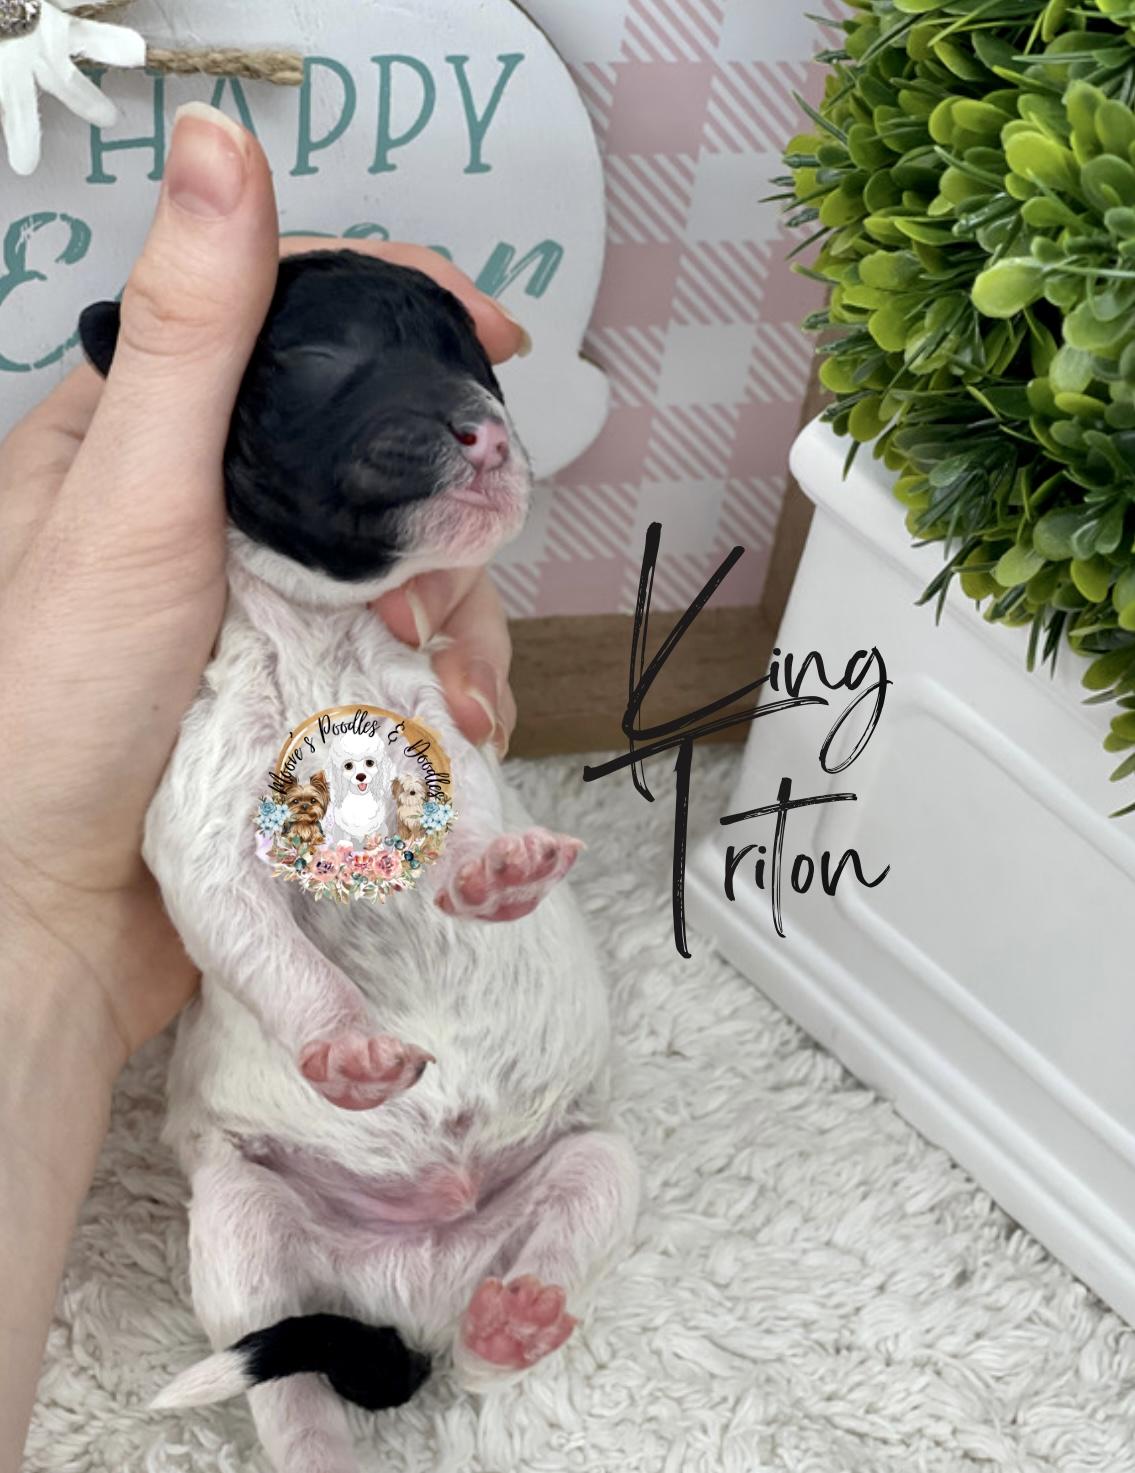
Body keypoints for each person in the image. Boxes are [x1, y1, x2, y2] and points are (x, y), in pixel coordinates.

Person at [0, 102, 523, 1471]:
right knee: (240, 1211)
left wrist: (474, 844)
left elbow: (440, 789)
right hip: (289, 1111)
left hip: (457, 1107)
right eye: (343, 368)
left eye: (465, 374)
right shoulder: (216, 673)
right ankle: (303, 1426)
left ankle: (494, 1307)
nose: (480, 427)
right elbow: (205, 859)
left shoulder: (389, 640)